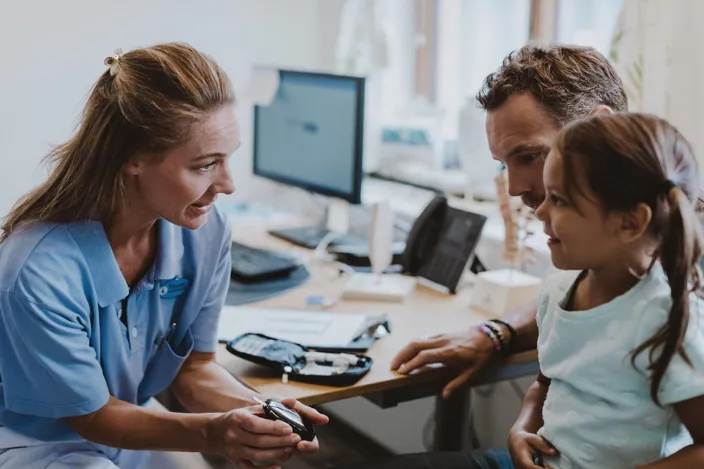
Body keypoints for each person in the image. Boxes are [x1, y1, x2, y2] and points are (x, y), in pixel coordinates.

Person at [0, 43, 328, 469]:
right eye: (205, 165)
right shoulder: (36, 272)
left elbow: (195, 371)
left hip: (128, 426)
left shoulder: (205, 233)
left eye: (228, 159)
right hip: (34, 442)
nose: (228, 184)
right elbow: (93, 415)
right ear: (134, 159)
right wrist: (215, 432)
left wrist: (258, 414)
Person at [346, 44, 628, 469]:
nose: (514, 188)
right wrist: (496, 332)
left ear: (599, 129)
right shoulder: (586, 235)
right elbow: (569, 297)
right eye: (502, 165)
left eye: (529, 156)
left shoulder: (682, 253)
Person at [510, 112, 704, 469]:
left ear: (630, 223)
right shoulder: (556, 294)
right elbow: (544, 384)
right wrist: (521, 429)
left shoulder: (666, 318)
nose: (541, 212)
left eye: (561, 200)